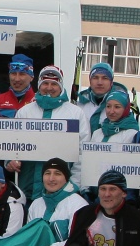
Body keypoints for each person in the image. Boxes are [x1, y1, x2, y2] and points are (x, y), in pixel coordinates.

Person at [6, 65, 90, 201]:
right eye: (45, 83)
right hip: (27, 185)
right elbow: (12, 142)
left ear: (61, 86)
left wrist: (74, 183)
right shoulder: (25, 111)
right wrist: (10, 160)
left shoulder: (75, 113)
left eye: (54, 84)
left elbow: (83, 152)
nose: (49, 87)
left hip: (61, 189)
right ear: (39, 85)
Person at [76, 62, 117, 136]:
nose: (99, 82)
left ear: (111, 82)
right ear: (90, 81)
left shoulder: (121, 107)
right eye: (95, 78)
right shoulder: (79, 106)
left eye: (105, 78)